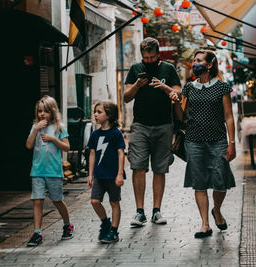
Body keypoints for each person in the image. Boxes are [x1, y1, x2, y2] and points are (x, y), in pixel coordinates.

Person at [171, 50, 236, 238]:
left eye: (199, 60)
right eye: (194, 60)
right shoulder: (189, 88)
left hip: (218, 140)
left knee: (220, 181)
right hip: (193, 140)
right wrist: (176, 103)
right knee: (199, 183)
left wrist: (232, 143)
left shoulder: (222, 87)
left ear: (209, 65)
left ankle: (217, 210)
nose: (195, 63)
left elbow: (229, 117)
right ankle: (205, 224)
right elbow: (182, 117)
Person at [124, 37, 181, 226]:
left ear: (158, 54)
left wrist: (165, 87)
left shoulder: (168, 69)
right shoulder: (134, 69)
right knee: (138, 167)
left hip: (164, 125)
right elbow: (125, 98)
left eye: (152, 57)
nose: (148, 60)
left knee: (159, 168)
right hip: (140, 125)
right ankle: (139, 212)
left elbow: (178, 94)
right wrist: (137, 86)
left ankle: (157, 211)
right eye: (145, 57)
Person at [25, 95, 74, 246]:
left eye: (45, 111)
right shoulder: (35, 127)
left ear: (52, 112)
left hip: (53, 171)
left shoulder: (59, 127)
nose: (41, 114)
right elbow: (28, 145)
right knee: (37, 201)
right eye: (39, 111)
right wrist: (35, 130)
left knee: (57, 200)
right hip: (37, 171)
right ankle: (37, 232)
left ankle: (67, 224)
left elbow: (67, 147)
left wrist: (53, 139)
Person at [87, 101, 126, 243]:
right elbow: (92, 154)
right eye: (95, 112)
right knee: (94, 201)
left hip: (113, 175)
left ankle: (114, 231)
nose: (95, 115)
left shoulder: (116, 133)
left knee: (114, 202)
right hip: (99, 175)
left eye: (99, 112)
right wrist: (90, 174)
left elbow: (121, 153)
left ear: (108, 115)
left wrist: (120, 174)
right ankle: (105, 222)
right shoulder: (95, 134)